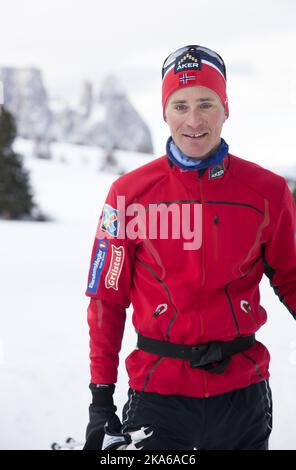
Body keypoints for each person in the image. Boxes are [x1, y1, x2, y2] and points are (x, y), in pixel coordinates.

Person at [83, 45, 296, 450]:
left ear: (225, 108)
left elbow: (291, 275)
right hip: (157, 396)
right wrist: (100, 401)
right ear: (165, 112)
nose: (193, 120)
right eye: (180, 106)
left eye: (206, 104)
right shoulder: (129, 195)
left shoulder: (267, 192)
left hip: (242, 396)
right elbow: (105, 301)